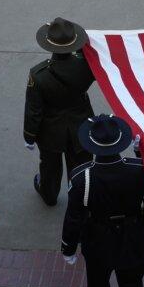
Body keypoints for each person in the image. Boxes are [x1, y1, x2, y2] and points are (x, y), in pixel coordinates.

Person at [61, 114, 144, 287]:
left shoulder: (82, 177)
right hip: (132, 235)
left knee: (97, 281)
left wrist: (68, 247)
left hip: (98, 238)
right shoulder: (136, 168)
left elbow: (74, 217)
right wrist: (142, 153)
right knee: (132, 285)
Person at [23, 17, 95, 206]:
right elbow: (86, 56)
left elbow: (34, 110)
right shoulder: (87, 65)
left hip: (51, 131)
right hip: (81, 125)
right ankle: (79, 199)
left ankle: (49, 195)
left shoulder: (39, 74)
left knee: (50, 168)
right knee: (80, 167)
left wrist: (29, 135)